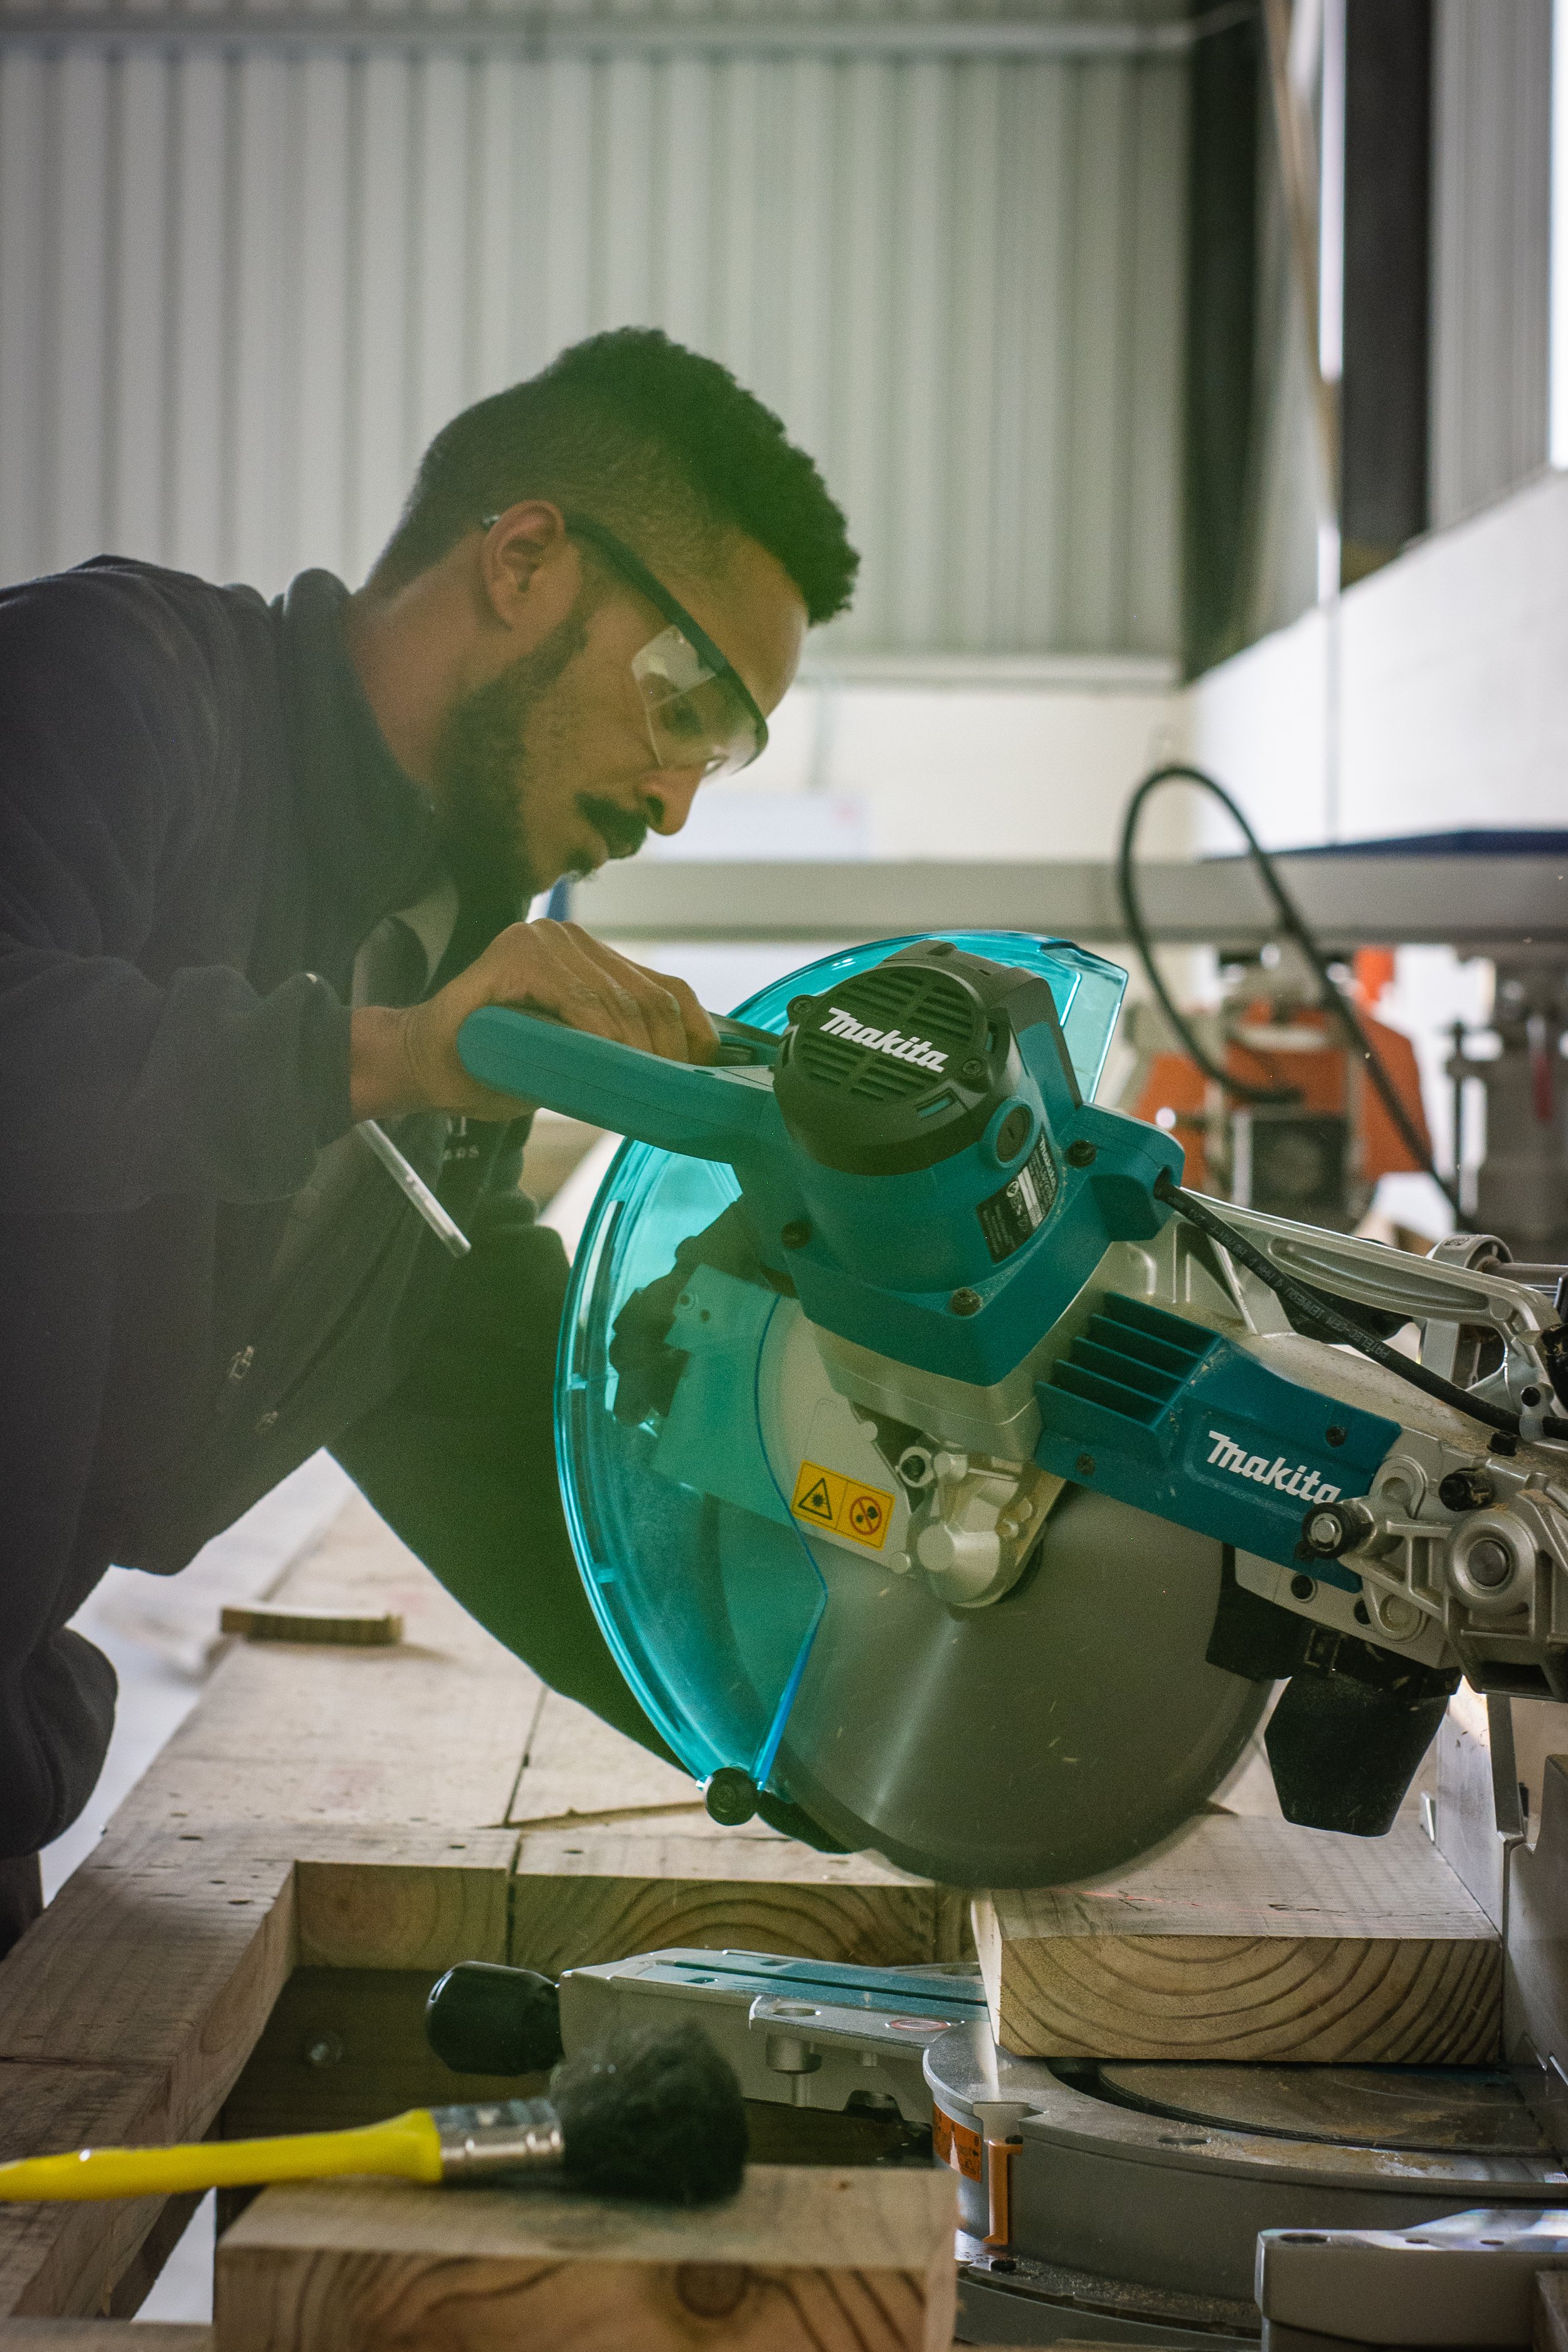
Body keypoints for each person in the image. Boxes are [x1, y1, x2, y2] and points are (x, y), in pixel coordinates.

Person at [0, 327, 859, 1958]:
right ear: (523, 560)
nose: (677, 799)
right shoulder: (110, 689)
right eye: (683, 700)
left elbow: (510, 1444)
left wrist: (854, 1743)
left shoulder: (441, 964)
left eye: (722, 749)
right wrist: (381, 1058)